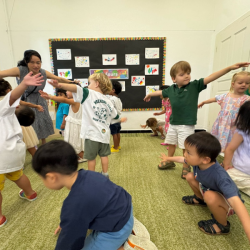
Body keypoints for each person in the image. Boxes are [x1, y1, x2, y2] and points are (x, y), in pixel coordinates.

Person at [144, 61, 250, 179]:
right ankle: (170, 160)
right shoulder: (170, 90)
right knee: (171, 142)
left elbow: (211, 77)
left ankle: (186, 166)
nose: (187, 76)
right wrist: (150, 94)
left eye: (188, 73)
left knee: (186, 146)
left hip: (186, 124)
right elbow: (161, 92)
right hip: (173, 123)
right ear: (174, 79)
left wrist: (229, 68)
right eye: (182, 74)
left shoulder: (194, 86)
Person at [32, 140, 133, 250]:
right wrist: (69, 221)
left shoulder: (74, 204)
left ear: (52, 177)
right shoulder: (89, 174)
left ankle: (121, 246)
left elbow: (70, 240)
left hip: (116, 229)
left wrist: (69, 224)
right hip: (126, 210)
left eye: (41, 178)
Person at [160, 132, 250, 240]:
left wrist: (248, 230)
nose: (185, 154)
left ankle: (222, 225)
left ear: (206, 159)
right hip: (208, 189)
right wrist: (168, 158)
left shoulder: (220, 176)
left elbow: (236, 202)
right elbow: (182, 159)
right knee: (189, 176)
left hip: (227, 203)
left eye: (188, 152)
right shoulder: (200, 162)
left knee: (209, 196)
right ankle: (200, 199)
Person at [47, 73, 126, 178]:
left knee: (91, 158)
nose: (88, 85)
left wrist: (60, 85)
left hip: (91, 135)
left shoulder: (88, 93)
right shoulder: (108, 100)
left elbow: (75, 88)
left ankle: (92, 176)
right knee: (104, 156)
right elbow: (115, 116)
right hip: (104, 135)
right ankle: (105, 173)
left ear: (97, 84)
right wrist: (121, 119)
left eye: (90, 83)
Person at [0, 50, 73, 144]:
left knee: (43, 121)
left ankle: (44, 142)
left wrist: (73, 82)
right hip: (26, 100)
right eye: (32, 62)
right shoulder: (21, 70)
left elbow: (58, 78)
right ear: (26, 62)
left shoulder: (43, 72)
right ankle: (32, 144)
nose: (36, 65)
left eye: (38, 62)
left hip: (40, 99)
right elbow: (2, 73)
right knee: (30, 124)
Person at [0, 72, 43, 227]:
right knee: (18, 175)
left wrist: (24, 84)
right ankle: (30, 193)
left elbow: (11, 97)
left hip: (2, 154)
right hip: (12, 152)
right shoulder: (9, 108)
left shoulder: (4, 106)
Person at [198, 71, 250, 152]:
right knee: (219, 140)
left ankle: (229, 160)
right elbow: (215, 99)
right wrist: (204, 102)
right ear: (233, 84)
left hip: (235, 125)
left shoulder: (246, 99)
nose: (244, 85)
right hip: (222, 124)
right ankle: (219, 156)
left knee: (233, 143)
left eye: (247, 83)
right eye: (240, 83)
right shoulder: (226, 95)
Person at [39, 84, 86, 163]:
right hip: (75, 125)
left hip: (75, 126)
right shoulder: (78, 100)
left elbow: (64, 100)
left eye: (68, 90)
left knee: (76, 141)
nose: (66, 92)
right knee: (74, 140)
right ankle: (77, 155)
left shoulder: (76, 101)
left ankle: (81, 156)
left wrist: (50, 97)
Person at [0, 79, 42, 157]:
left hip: (7, 128)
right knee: (31, 146)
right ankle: (38, 159)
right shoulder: (11, 99)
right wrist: (36, 106)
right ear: (8, 90)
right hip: (21, 126)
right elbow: (26, 103)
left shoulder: (8, 100)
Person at [223, 101, 250, 196]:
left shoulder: (243, 130)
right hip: (242, 171)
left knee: (223, 178)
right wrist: (226, 165)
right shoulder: (243, 131)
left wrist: (225, 167)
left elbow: (230, 149)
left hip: (242, 172)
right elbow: (230, 149)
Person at [107, 81, 123, 153]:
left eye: (109, 88)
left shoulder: (112, 99)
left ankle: (115, 147)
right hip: (118, 119)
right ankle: (118, 145)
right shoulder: (118, 99)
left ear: (113, 90)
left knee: (114, 134)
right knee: (117, 132)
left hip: (113, 120)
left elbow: (110, 109)